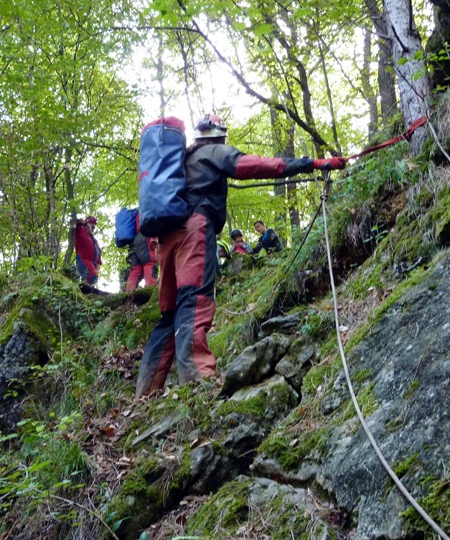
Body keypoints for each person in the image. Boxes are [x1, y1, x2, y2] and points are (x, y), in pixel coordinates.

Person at [135, 113, 346, 398]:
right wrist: (311, 164)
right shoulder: (214, 152)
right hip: (194, 231)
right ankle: (200, 382)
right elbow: (256, 165)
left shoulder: (179, 161)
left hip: (167, 239)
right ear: (219, 135)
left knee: (168, 314)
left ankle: (145, 393)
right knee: (194, 301)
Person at [125, 213, 158, 291]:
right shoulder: (150, 206)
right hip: (146, 238)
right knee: (150, 263)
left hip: (135, 242)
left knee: (136, 269)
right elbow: (152, 222)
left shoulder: (138, 213)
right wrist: (154, 239)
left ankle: (128, 293)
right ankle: (150, 290)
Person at [74, 216, 101, 286]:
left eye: (94, 227)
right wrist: (84, 224)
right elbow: (74, 223)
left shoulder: (94, 241)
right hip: (83, 259)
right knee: (91, 277)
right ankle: (83, 293)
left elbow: (98, 255)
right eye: (91, 225)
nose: (92, 228)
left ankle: (85, 294)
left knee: (93, 278)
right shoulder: (81, 231)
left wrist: (98, 265)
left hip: (92, 264)